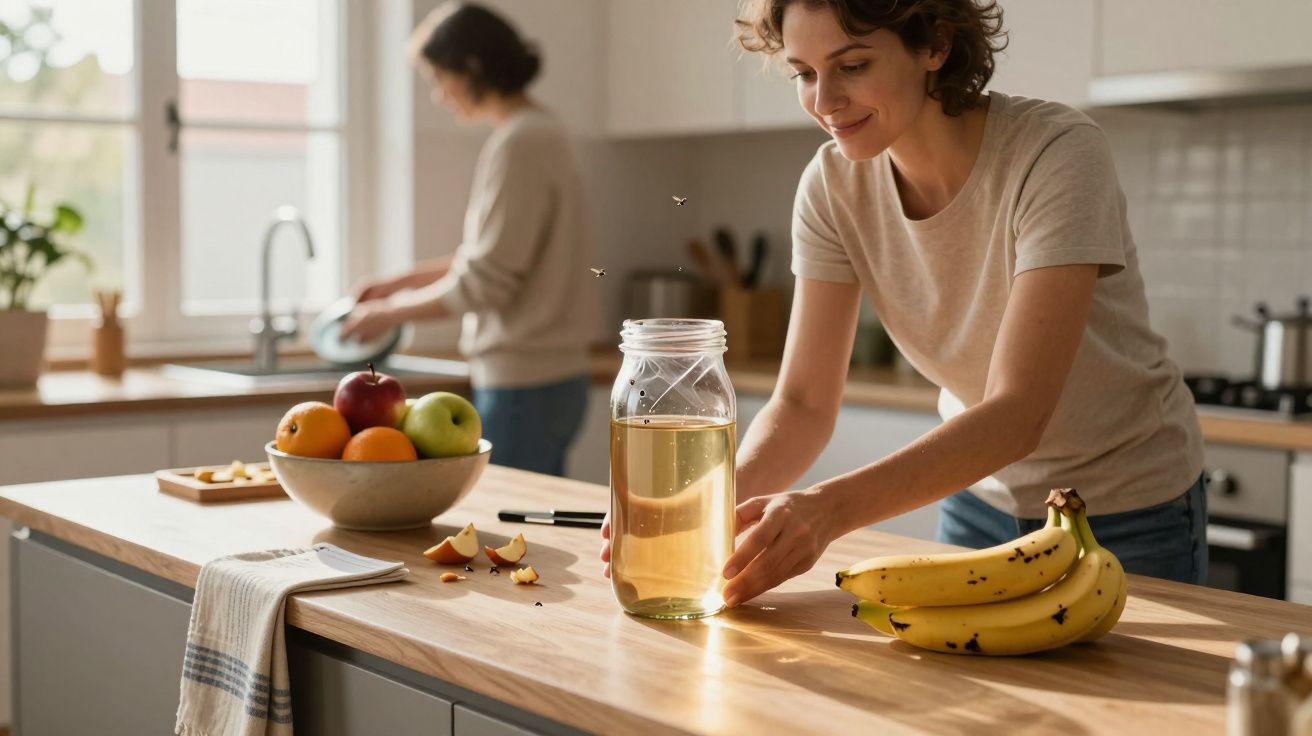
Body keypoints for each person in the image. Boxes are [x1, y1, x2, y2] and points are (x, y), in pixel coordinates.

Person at [602, 0, 1206, 608]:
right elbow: (804, 403)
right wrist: (696, 504)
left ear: (935, 45)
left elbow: (1018, 412)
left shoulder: (1055, 152)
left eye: (853, 65)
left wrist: (826, 511)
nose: (825, 101)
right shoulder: (832, 186)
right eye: (804, 74)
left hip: (1128, 506)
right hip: (977, 500)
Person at [342, 2, 595, 477]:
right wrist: (398, 282)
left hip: (525, 384)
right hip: (553, 378)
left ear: (472, 66)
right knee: (531, 530)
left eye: (439, 77)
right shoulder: (543, 132)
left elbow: (485, 281)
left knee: (514, 536)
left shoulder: (521, 143)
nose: (439, 94)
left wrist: (388, 313)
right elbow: (491, 257)